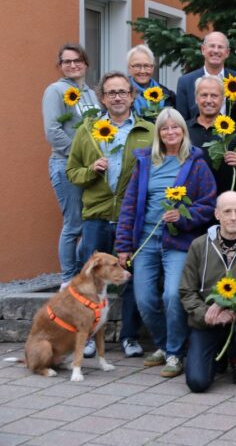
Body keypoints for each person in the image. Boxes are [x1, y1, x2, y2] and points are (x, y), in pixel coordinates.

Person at [115, 107, 217, 378]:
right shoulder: (145, 162)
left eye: (176, 128)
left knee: (172, 295)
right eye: (165, 128)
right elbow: (128, 207)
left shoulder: (195, 164)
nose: (171, 132)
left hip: (179, 241)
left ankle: (175, 352)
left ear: (184, 131)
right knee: (144, 298)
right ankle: (162, 344)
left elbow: (209, 205)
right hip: (145, 240)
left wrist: (182, 217)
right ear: (158, 133)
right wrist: (124, 246)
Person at [66, 71, 152, 359]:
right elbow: (72, 171)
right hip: (97, 217)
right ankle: (87, 336)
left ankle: (129, 336)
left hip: (131, 220)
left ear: (132, 96)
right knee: (91, 280)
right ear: (102, 97)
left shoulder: (147, 132)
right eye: (111, 92)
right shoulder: (88, 131)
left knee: (129, 277)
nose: (117, 97)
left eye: (123, 92)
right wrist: (91, 170)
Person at [179, 191, 236, 392]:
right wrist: (207, 314)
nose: (233, 217)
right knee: (197, 383)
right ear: (217, 214)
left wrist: (229, 305)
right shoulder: (199, 245)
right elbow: (187, 290)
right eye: (227, 211)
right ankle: (215, 355)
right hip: (206, 321)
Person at [42, 43, 100, 287]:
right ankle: (67, 279)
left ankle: (80, 274)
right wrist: (79, 157)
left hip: (89, 167)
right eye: (67, 62)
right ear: (60, 66)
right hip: (66, 165)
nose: (73, 65)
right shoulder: (55, 91)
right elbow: (53, 131)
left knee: (89, 222)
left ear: (86, 63)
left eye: (77, 60)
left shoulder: (89, 92)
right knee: (74, 224)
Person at [187, 75, 236, 197]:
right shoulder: (184, 130)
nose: (208, 100)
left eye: (214, 95)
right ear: (196, 98)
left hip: (227, 207)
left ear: (223, 99)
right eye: (203, 95)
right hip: (193, 205)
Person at [175, 31, 236, 121]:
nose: (216, 51)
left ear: (227, 52)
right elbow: (181, 121)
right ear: (203, 50)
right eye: (212, 46)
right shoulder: (185, 82)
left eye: (220, 47)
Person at [126, 44, 175, 120]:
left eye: (147, 66)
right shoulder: (121, 94)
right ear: (129, 68)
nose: (142, 71)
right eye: (137, 66)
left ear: (152, 67)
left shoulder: (167, 95)